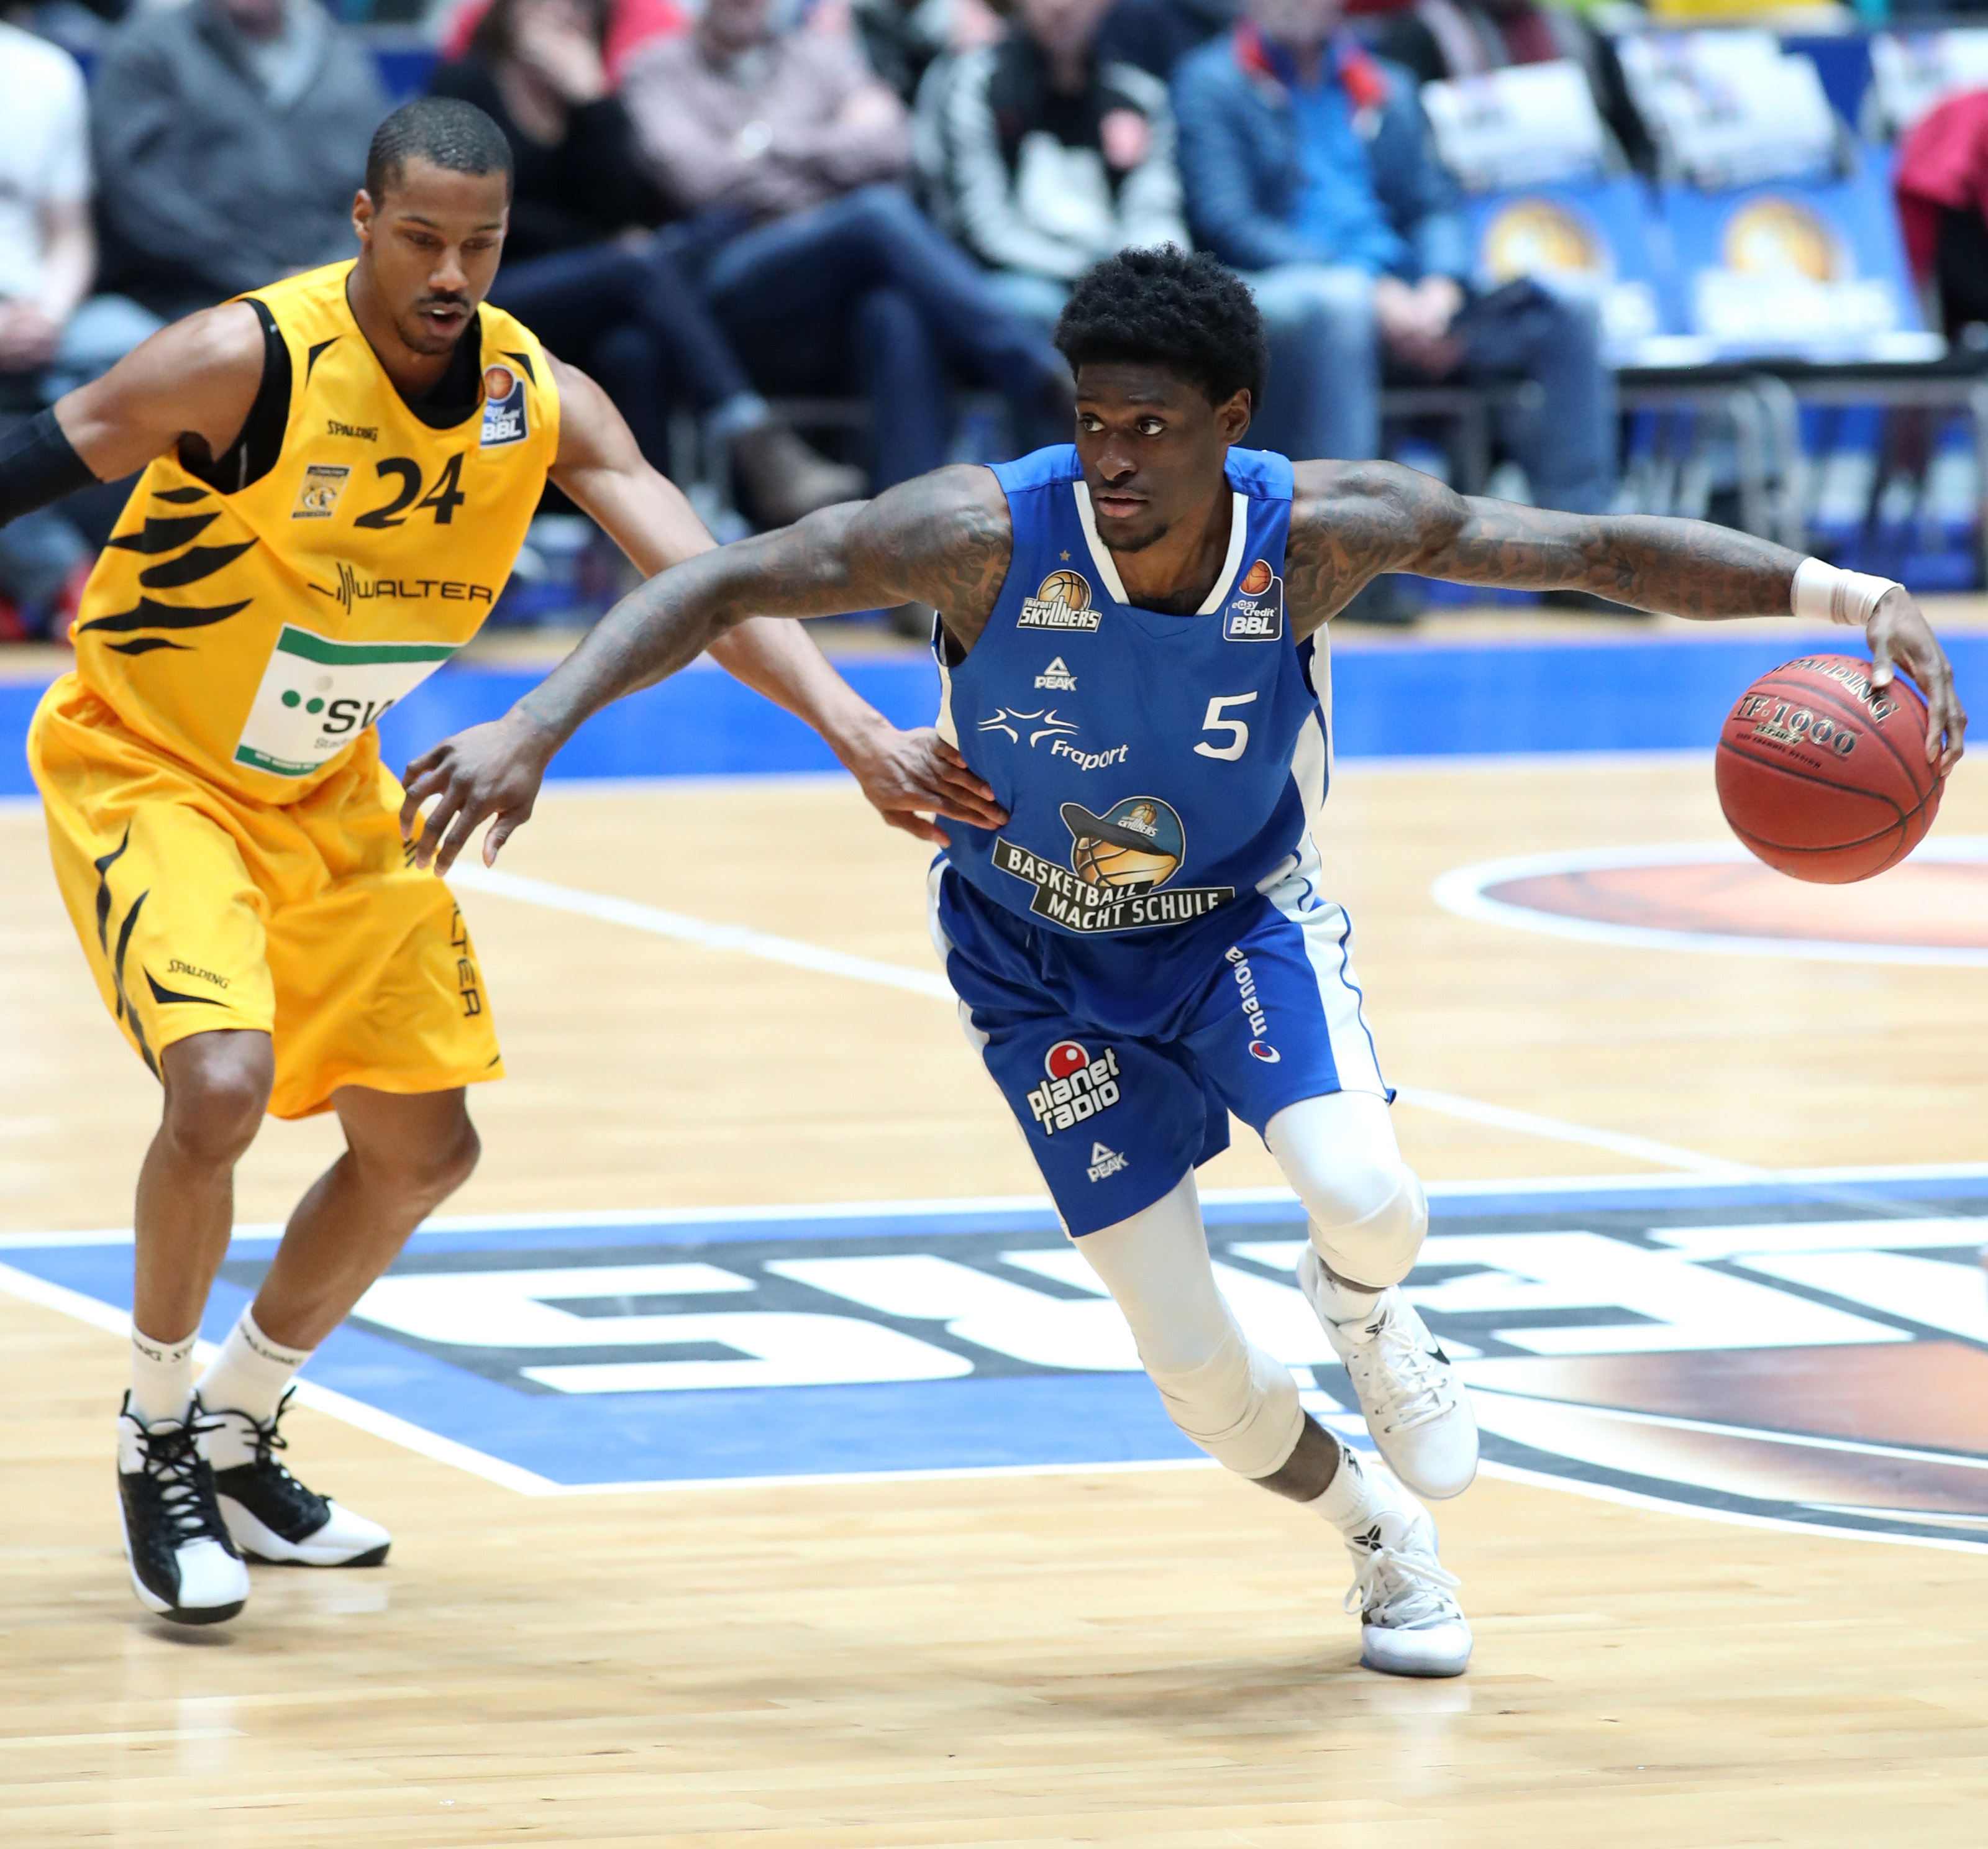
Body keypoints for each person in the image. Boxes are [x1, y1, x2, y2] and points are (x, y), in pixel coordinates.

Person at [391, 247, 1965, 1676]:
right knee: (1196, 1369)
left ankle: (1361, 1307)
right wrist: (536, 723)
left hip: (1235, 923)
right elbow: (716, 577)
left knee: (1364, 1195)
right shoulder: (974, 535)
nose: (1115, 459)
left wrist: (1850, 594)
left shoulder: (1326, 532)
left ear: (1232, 418)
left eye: (1150, 427)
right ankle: (1378, 1539)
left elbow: (1597, 549)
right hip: (1029, 962)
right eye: (1091, 423)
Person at [0, 97, 1000, 1627]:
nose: (451, 271)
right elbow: (32, 455)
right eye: (420, 239)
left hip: (328, 787)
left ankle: (243, 1419)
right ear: (362, 224)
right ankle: (155, 1437)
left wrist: (856, 727)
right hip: (150, 764)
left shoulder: (543, 402)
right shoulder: (243, 359)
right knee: (217, 1089)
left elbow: (712, 583)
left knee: (425, 1153)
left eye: (480, 243)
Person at [1172, 0, 1616, 523]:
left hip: (1408, 300)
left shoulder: (1387, 84)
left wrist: (1441, 286)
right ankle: (1346, 547)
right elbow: (1227, 223)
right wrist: (1369, 288)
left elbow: (1433, 204)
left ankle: (1582, 546)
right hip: (1297, 297)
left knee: (1569, 302)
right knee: (1342, 306)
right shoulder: (1212, 81)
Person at [430, 0, 862, 524]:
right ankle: (756, 442)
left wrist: (591, 99)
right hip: (481, 288)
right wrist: (594, 249)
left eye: (579, 7)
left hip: (585, 295)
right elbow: (476, 216)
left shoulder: (585, 98)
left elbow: (622, 207)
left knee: (633, 351)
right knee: (636, 264)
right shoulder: (467, 84)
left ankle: (647, 548)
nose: (565, 14)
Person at [619, 0, 1072, 493]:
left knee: (894, 309)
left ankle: (909, 539)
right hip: (725, 288)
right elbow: (698, 178)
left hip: (835, 290)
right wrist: (830, 162)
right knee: (877, 214)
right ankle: (1039, 377)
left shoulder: (822, 55)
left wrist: (764, 143)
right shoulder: (655, 68)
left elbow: (891, 145)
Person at [0, 15, 160, 632]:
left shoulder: (45, 72)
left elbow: (69, 234)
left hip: (39, 309)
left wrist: (49, 310)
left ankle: (152, 579)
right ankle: (63, 580)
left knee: (151, 353)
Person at [91, 0, 387, 322]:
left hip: (328, 295)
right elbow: (138, 194)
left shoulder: (339, 54)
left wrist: (332, 271)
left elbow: (380, 182)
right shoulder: (149, 51)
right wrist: (266, 278)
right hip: (186, 299)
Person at [929, 0, 1188, 334]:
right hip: (1013, 273)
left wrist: (1151, 275)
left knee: (1189, 308)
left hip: (1116, 275)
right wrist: (1096, 276)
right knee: (1036, 306)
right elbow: (983, 228)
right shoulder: (975, 82)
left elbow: (1155, 212)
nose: (1061, 5)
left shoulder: (1139, 97)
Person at [1366, 0, 1655, 177]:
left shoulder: (1575, 31)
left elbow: (1635, 140)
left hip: (1594, 216)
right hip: (1480, 224)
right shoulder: (1420, 35)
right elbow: (1414, 173)